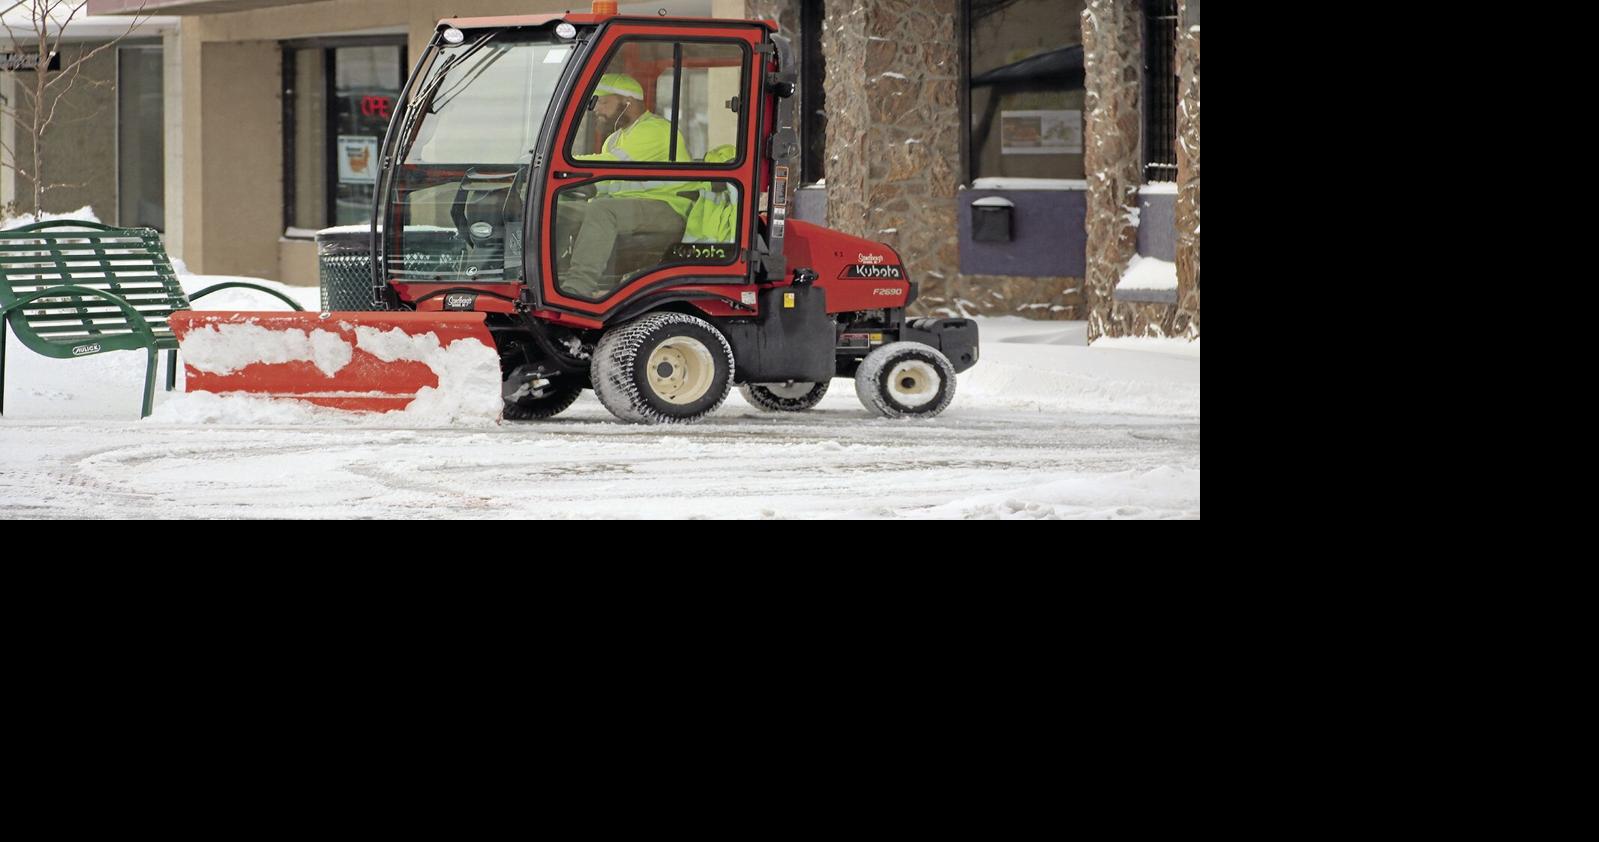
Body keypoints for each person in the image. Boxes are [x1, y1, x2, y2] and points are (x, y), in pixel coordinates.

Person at [559, 73, 695, 299]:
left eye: (603, 101)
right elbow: (605, 181)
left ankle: (577, 289)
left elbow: (613, 164)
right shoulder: (614, 139)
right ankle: (552, 278)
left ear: (627, 102)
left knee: (602, 210)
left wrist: (565, 163)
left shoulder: (656, 130)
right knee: (564, 209)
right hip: (629, 207)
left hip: (668, 207)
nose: (597, 109)